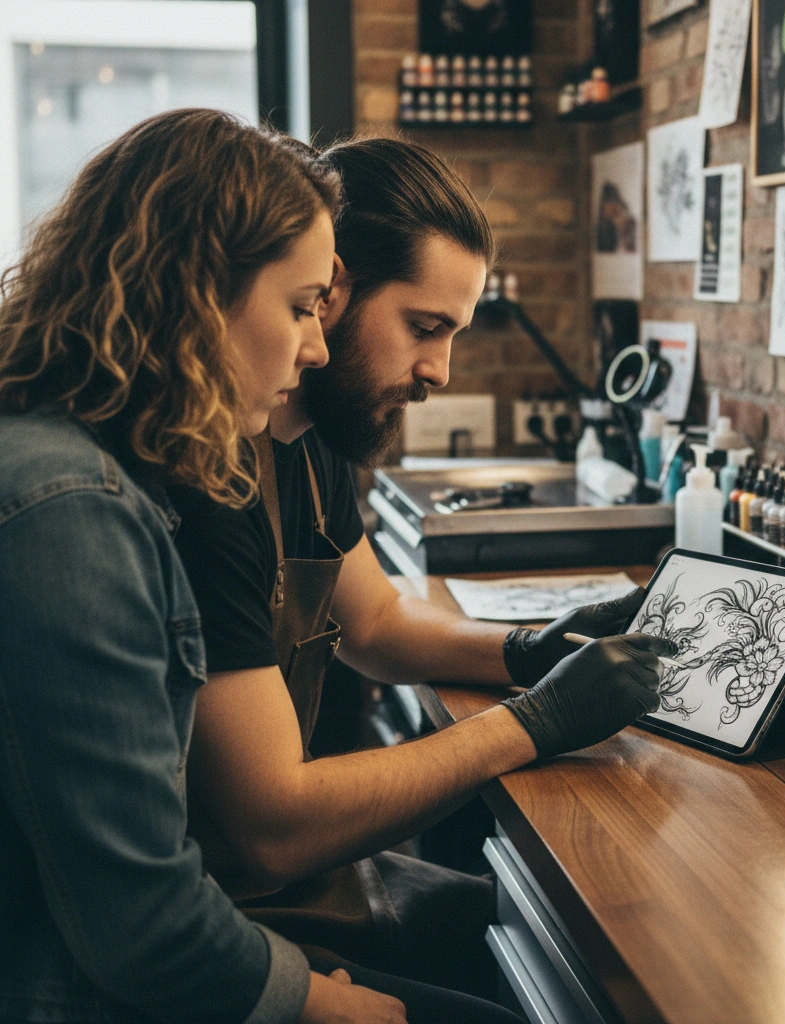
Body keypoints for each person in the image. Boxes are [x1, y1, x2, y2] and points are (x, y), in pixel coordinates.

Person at [170, 136, 675, 1010]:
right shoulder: (215, 479)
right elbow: (275, 829)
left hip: (290, 883)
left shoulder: (308, 436)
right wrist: (542, 716)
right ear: (332, 290)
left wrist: (528, 648)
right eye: (424, 327)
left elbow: (374, 625)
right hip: (232, 913)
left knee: (578, 953)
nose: (439, 370)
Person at [0, 107, 411, 1024]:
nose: (315, 347)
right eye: (302, 307)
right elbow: (143, 927)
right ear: (194, 293)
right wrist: (316, 1003)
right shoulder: (69, 514)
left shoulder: (78, 465)